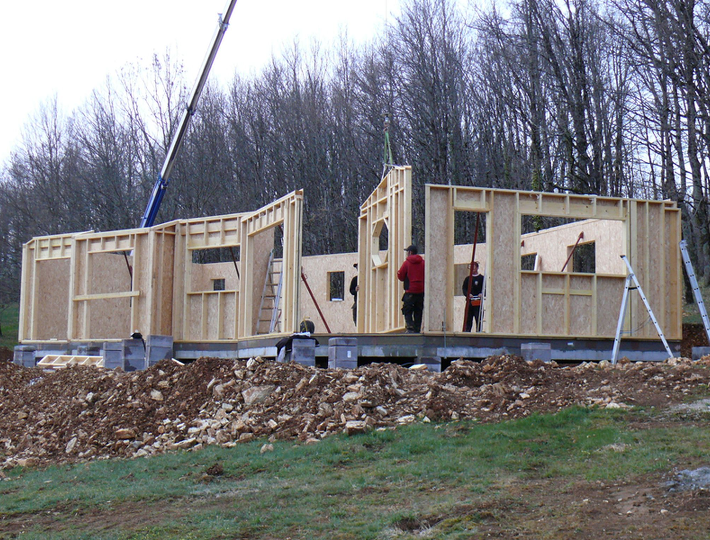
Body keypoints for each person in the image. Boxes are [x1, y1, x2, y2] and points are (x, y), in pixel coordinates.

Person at [397, 245, 425, 333]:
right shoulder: (423, 263)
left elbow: (400, 276)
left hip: (410, 291)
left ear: (410, 252)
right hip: (421, 291)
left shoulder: (407, 263)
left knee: (407, 309)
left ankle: (410, 327)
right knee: (418, 310)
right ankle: (417, 328)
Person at [462, 262, 484, 332]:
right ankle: (467, 333)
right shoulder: (467, 279)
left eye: (474, 268)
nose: (472, 270)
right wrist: (468, 294)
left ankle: (479, 333)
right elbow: (464, 289)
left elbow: (485, 288)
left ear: (477, 268)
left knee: (478, 319)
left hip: (478, 302)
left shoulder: (482, 278)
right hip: (470, 302)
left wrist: (482, 294)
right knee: (468, 320)